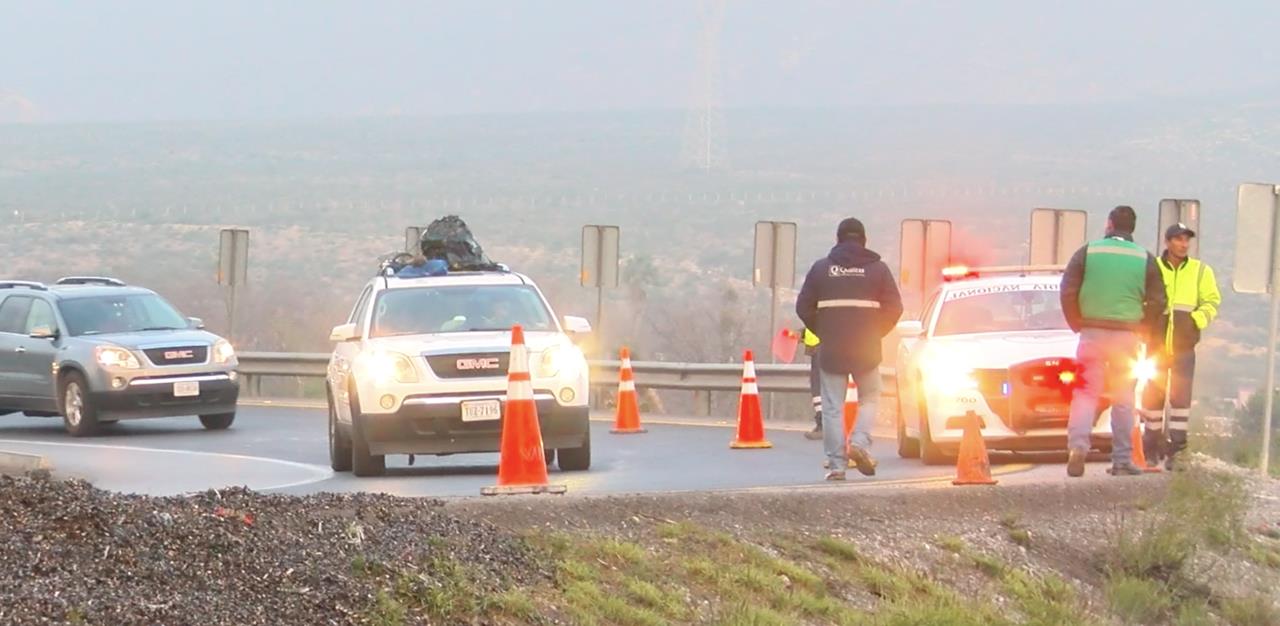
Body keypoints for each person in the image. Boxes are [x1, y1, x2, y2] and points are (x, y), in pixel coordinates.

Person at [1060, 206, 1167, 477]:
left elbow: (1068, 288)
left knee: (1085, 392)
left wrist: (1076, 321)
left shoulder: (1088, 251)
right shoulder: (1145, 258)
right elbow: (1158, 300)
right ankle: (1121, 459)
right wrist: (1143, 327)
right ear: (1132, 228)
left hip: (1092, 332)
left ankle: (1078, 446)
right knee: (1123, 397)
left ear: (1109, 224)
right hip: (1126, 337)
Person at [797, 218, 904, 480]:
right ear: (864, 240)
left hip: (832, 347)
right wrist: (875, 332)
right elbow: (895, 308)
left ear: (838, 239)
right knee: (870, 397)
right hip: (866, 348)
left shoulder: (821, 269)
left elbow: (803, 307)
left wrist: (824, 331)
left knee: (832, 406)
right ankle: (859, 442)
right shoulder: (878, 270)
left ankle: (836, 466)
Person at [1140, 223, 1220, 471]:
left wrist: (1196, 321)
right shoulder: (1152, 268)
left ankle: (1177, 451)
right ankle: (1151, 447)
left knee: (1181, 400)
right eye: (1178, 239)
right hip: (1156, 344)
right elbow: (1140, 296)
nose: (1184, 244)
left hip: (1184, 345)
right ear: (1167, 242)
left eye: (1187, 240)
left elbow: (1212, 301)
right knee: (1153, 397)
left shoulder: (1200, 271)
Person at [801, 327, 823, 440]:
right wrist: (802, 333)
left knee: (818, 388)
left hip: (821, 348)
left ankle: (822, 425)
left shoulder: (817, 311)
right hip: (824, 347)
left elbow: (816, 324)